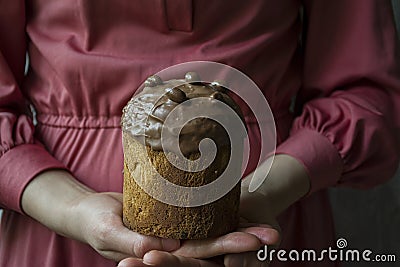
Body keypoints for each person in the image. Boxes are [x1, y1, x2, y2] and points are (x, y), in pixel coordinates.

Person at [1, 0, 399, 266]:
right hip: (58, 233)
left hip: (270, 220)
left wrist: (260, 193)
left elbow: (365, 94)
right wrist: (72, 209)